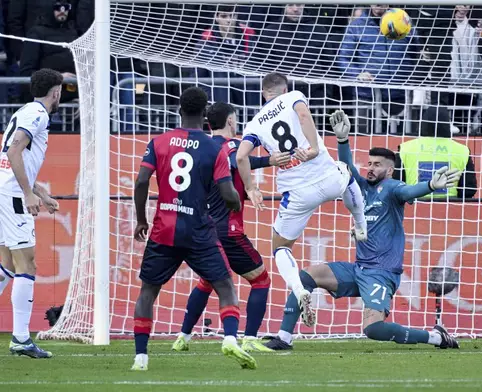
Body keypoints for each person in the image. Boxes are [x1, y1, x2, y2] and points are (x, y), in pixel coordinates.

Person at [263, 110, 462, 350]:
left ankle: (435, 337)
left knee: (374, 329)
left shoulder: (392, 188)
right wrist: (342, 140)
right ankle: (284, 338)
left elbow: (408, 192)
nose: (370, 168)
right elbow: (347, 169)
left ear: (389, 170)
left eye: (377, 165)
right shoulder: (362, 189)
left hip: (381, 273)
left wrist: (430, 185)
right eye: (369, 163)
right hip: (359, 269)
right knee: (306, 276)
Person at [130, 87, 255, 371]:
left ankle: (141, 357)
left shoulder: (158, 142)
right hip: (198, 230)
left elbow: (140, 183)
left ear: (179, 110)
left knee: (148, 291)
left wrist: (141, 219)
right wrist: (238, 199)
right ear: (206, 116)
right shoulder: (214, 148)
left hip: (164, 229)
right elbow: (228, 195)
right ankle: (230, 339)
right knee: (224, 285)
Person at [235, 72, 368, 328]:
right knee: (348, 175)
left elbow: (241, 157)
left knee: (280, 247)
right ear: (284, 89)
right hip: (327, 178)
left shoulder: (254, 124)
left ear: (264, 93)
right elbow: (304, 115)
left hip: (296, 192)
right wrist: (314, 148)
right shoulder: (294, 97)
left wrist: (251, 188)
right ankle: (360, 225)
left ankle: (298, 290)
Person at [172, 102, 290, 353]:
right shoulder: (234, 146)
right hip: (229, 230)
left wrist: (267, 161)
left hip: (202, 230)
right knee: (261, 280)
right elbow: (240, 158)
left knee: (206, 281)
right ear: (229, 122)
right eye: (235, 120)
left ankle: (182, 337)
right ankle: (248, 338)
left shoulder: (201, 148)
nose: (236, 124)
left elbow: (238, 163)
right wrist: (270, 161)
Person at [0, 68, 63, 358]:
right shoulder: (38, 115)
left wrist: (40, 193)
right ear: (56, 92)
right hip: (11, 195)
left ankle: (21, 338)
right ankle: (22, 339)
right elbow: (14, 152)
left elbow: (17, 158)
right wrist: (27, 194)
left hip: (5, 190)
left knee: (6, 263)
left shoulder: (25, 111)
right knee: (27, 264)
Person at [394, 106, 477, 200]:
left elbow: (396, 183)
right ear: (447, 124)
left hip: (413, 206)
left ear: (423, 123)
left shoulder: (405, 148)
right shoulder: (462, 150)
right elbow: (469, 189)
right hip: (450, 207)